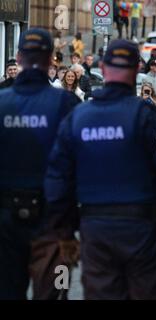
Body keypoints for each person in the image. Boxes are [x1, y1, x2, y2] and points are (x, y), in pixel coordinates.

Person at [44, 39, 156, 300]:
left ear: (103, 68)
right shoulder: (155, 120)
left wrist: (63, 232)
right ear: (137, 69)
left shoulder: (76, 119)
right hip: (143, 230)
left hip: (96, 230)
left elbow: (57, 179)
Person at [0, 28, 80, 300]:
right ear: (50, 61)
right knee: (54, 294)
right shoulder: (66, 103)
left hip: (5, 222)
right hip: (53, 222)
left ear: (19, 58)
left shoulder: (1, 103)